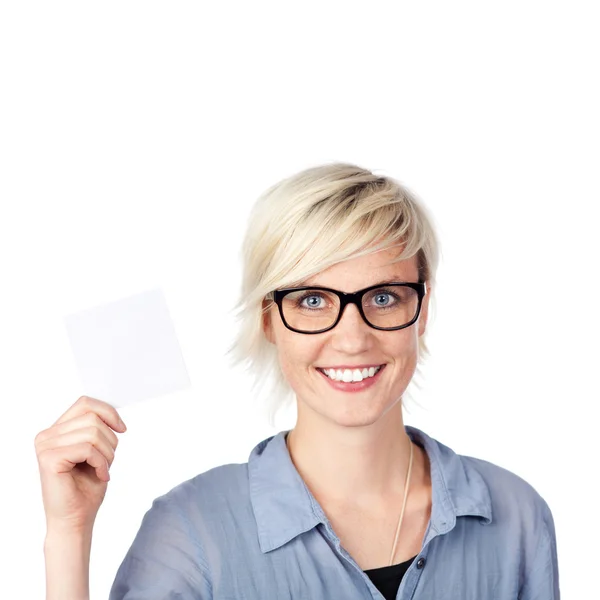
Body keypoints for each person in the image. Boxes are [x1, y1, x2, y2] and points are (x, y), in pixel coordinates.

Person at [35, 163, 560, 599]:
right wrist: (68, 534)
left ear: (421, 311)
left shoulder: (515, 518)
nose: (352, 339)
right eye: (312, 301)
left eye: (383, 297)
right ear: (269, 321)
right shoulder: (192, 530)